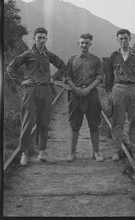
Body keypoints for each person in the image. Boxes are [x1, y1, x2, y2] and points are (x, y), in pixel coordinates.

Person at [7, 27, 66, 166]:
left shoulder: (49, 55)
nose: (41, 40)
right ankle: (24, 153)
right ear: (34, 38)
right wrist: (21, 81)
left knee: (44, 122)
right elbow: (10, 68)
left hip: (46, 90)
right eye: (38, 37)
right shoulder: (27, 54)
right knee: (28, 122)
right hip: (31, 90)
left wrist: (54, 78)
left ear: (47, 39)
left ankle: (42, 152)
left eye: (43, 38)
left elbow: (63, 66)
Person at [105, 29, 135, 161]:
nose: (123, 41)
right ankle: (118, 150)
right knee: (117, 121)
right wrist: (109, 93)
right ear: (117, 40)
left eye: (125, 38)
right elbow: (109, 76)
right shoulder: (113, 56)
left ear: (130, 39)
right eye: (121, 38)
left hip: (134, 88)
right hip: (118, 89)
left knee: (134, 121)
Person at [65, 33, 104, 162]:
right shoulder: (71, 59)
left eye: (87, 43)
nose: (84, 45)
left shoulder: (96, 60)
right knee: (74, 125)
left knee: (94, 124)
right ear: (78, 43)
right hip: (75, 95)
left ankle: (96, 153)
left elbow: (100, 77)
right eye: (82, 42)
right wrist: (76, 89)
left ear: (90, 44)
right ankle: (72, 153)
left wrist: (88, 88)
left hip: (91, 94)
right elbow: (67, 77)